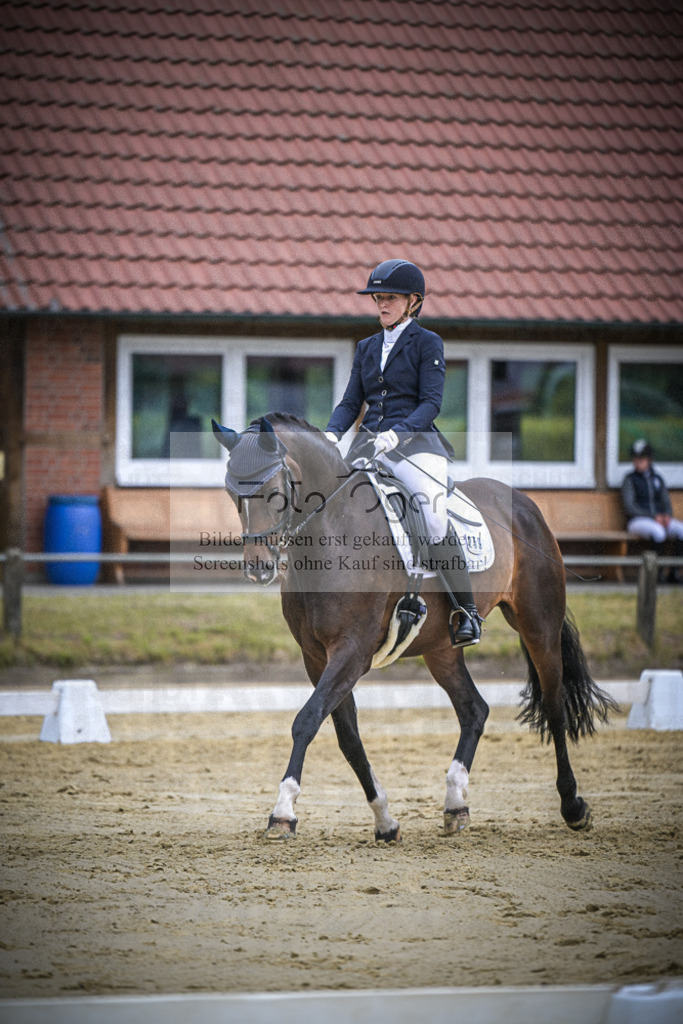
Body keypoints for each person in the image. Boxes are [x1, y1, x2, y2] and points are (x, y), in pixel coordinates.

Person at [324, 258, 482, 646]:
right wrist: (330, 436)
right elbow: (350, 402)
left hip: (416, 447)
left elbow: (431, 403)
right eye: (378, 298)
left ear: (413, 302)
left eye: (390, 299)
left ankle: (467, 612)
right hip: (369, 448)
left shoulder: (427, 343)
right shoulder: (366, 347)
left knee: (432, 516)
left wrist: (397, 434)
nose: (381, 305)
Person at [621, 439, 683, 583]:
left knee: (680, 529)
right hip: (638, 520)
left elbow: (665, 501)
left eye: (641, 459)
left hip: (658, 519)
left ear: (649, 459)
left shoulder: (657, 478)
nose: (638, 462)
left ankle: (674, 572)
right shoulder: (630, 480)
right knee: (658, 532)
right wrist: (654, 516)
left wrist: (667, 515)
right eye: (635, 459)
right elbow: (630, 507)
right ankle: (656, 573)